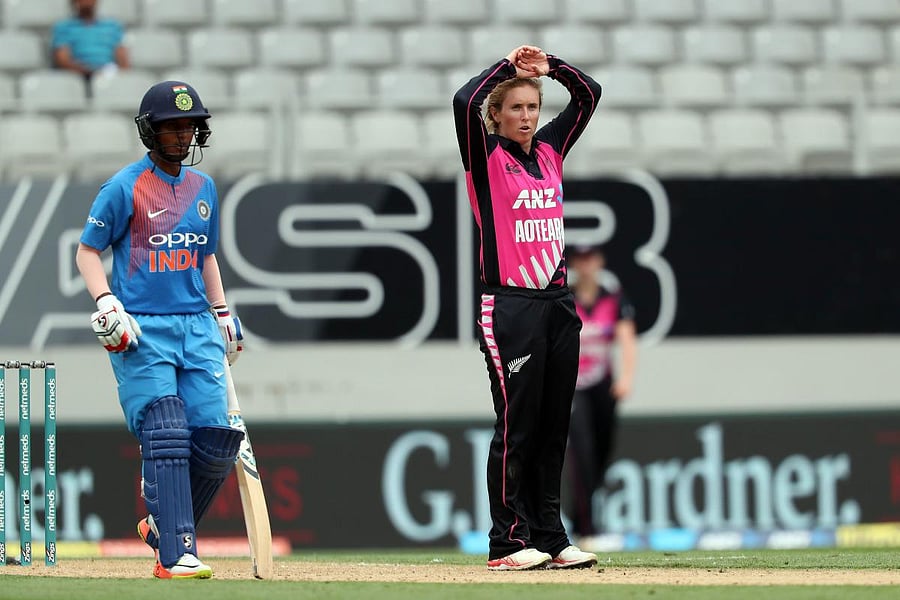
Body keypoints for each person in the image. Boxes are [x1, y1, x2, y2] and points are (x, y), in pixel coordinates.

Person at [75, 81, 244, 579]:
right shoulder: (124, 186)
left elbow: (205, 254)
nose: (182, 133)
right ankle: (176, 551)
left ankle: (160, 526)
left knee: (217, 442)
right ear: (150, 129)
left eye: (189, 125)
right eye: (172, 125)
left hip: (197, 325)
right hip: (143, 327)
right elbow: (87, 251)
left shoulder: (204, 189)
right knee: (167, 430)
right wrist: (106, 302)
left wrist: (221, 311)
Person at [453, 45, 603, 571]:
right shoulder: (484, 155)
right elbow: (462, 99)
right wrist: (508, 67)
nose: (525, 117)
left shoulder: (550, 150)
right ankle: (507, 542)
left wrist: (552, 68)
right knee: (517, 426)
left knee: (552, 425)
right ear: (497, 115)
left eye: (532, 107)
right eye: (515, 108)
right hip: (509, 305)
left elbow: (589, 96)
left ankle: (551, 536)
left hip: (557, 305)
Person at [565, 245, 637, 551]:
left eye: (590, 259)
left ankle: (579, 513)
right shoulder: (565, 298)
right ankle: (587, 527)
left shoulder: (613, 298)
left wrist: (626, 378)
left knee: (602, 452)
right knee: (582, 453)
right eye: (580, 260)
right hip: (572, 385)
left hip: (603, 385)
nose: (586, 265)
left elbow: (626, 338)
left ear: (599, 262)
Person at [51, 0, 129, 81]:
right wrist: (90, 73)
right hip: (79, 77)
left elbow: (123, 61)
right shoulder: (63, 27)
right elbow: (62, 60)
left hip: (109, 76)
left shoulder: (113, 26)